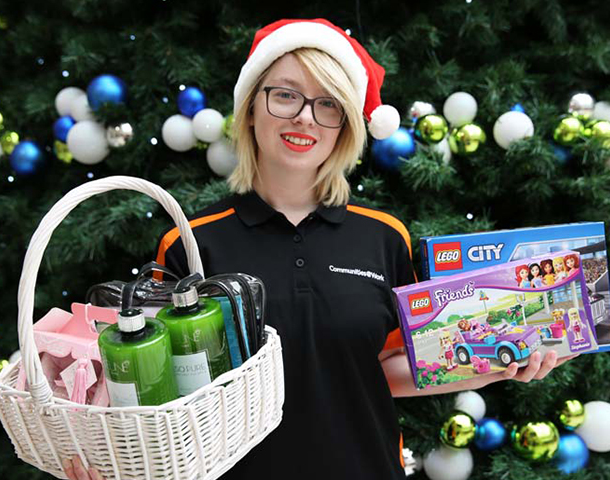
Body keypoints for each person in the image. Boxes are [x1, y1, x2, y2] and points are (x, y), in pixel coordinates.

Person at [63, 18, 571, 480]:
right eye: (285, 95)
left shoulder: (385, 237)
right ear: (251, 107)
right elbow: (164, 391)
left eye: (327, 103)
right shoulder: (191, 243)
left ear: (346, 126)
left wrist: (494, 366)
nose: (305, 118)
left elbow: (394, 368)